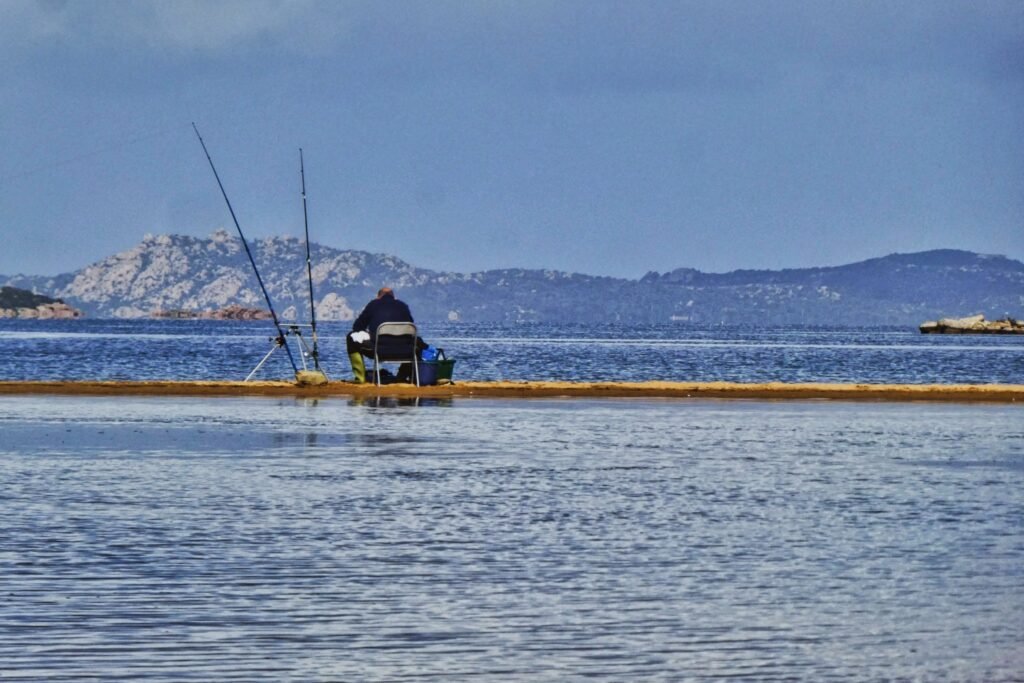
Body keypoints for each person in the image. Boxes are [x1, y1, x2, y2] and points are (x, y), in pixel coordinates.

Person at [347, 287, 417, 383]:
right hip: (405, 351)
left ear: (378, 297)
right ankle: (401, 377)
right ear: (394, 297)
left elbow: (357, 327)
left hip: (379, 349)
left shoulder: (373, 304)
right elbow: (410, 328)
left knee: (350, 337)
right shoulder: (403, 305)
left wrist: (369, 332)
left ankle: (360, 378)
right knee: (416, 343)